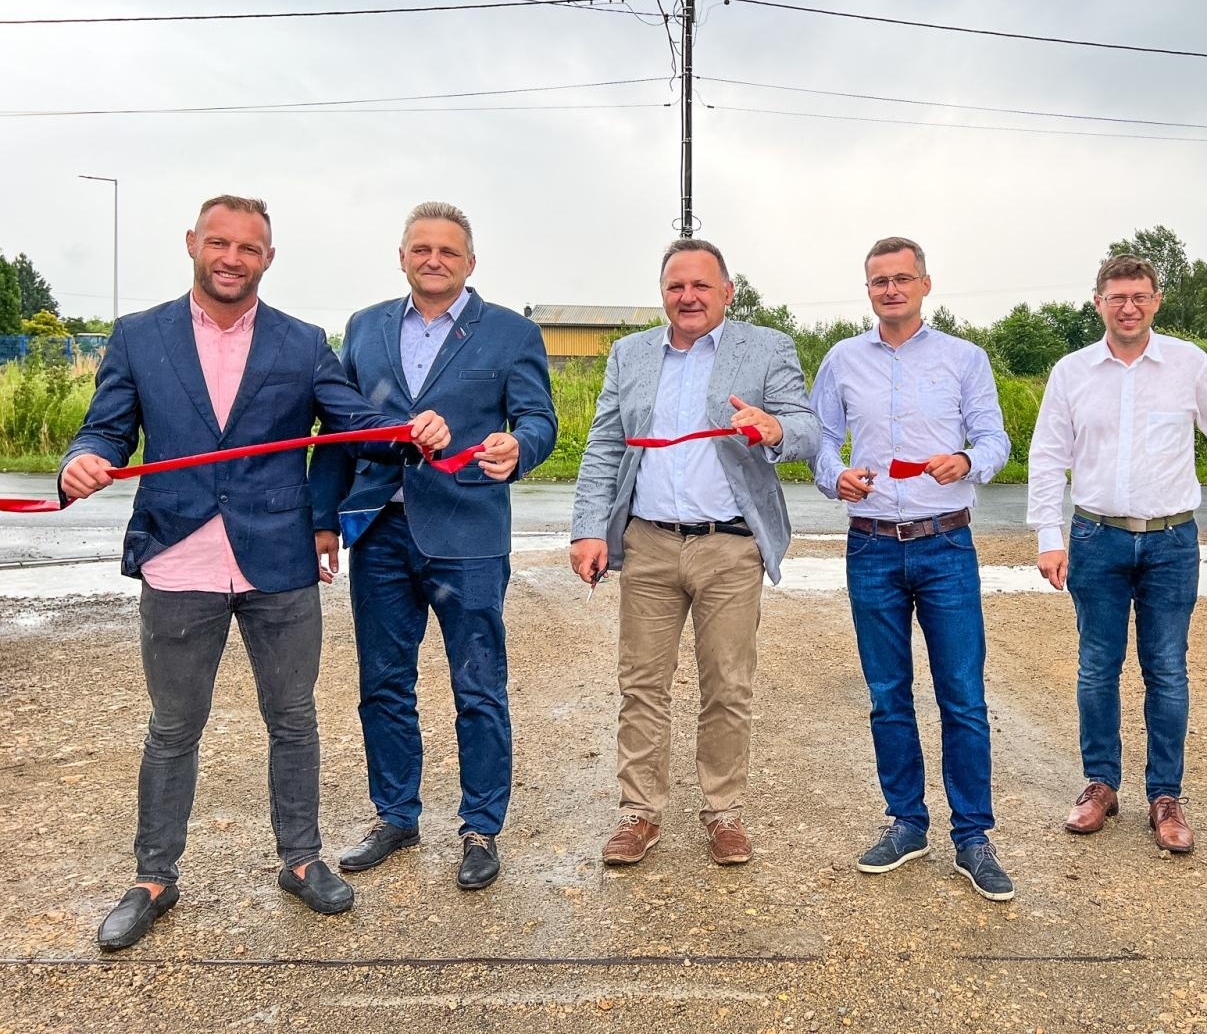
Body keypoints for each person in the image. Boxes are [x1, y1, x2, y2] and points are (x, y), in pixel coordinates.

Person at [59, 195, 451, 951]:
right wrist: (83, 457)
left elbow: (350, 422)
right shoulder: (141, 337)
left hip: (277, 560)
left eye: (249, 247)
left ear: (267, 257)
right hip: (178, 557)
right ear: (193, 245)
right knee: (173, 727)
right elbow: (107, 426)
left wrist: (411, 433)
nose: (232, 257)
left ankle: (300, 861)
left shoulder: (302, 343)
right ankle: (153, 877)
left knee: (293, 719)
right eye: (219, 243)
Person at [310, 202, 557, 892]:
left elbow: (537, 417)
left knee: (478, 686)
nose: (434, 259)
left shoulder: (509, 332)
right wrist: (323, 518)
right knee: (383, 684)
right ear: (402, 256)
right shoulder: (364, 328)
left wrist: (520, 446)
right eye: (421, 248)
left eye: (449, 251)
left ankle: (481, 826)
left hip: (467, 532)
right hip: (380, 531)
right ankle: (395, 814)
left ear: (470, 262)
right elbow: (335, 427)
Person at [569, 238, 819, 868]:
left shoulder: (766, 348)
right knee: (642, 686)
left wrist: (777, 429)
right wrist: (588, 528)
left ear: (727, 293)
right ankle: (639, 813)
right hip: (648, 543)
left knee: (727, 685)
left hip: (729, 546)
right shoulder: (629, 355)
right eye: (677, 286)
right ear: (662, 294)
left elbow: (811, 429)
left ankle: (723, 811)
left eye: (702, 286)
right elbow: (604, 445)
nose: (688, 297)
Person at [1027, 253, 1207, 853]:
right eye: (1116, 296)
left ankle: (1165, 796)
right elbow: (1046, 456)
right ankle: (1100, 785)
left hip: (1172, 541)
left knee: (1166, 668)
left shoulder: (1188, 366)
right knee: (1097, 667)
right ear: (1097, 302)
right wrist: (1048, 535)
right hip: (1097, 537)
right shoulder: (1072, 372)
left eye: (1139, 296)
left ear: (1156, 300)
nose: (1128, 306)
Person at [810, 237, 1016, 902]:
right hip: (871, 546)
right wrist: (834, 476)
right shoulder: (843, 360)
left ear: (925, 284)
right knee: (888, 696)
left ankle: (973, 837)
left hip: (944, 545)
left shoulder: (963, 359)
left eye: (902, 279)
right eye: (879, 281)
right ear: (867, 289)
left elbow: (995, 439)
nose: (891, 289)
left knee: (962, 697)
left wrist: (967, 460)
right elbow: (819, 441)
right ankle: (907, 823)